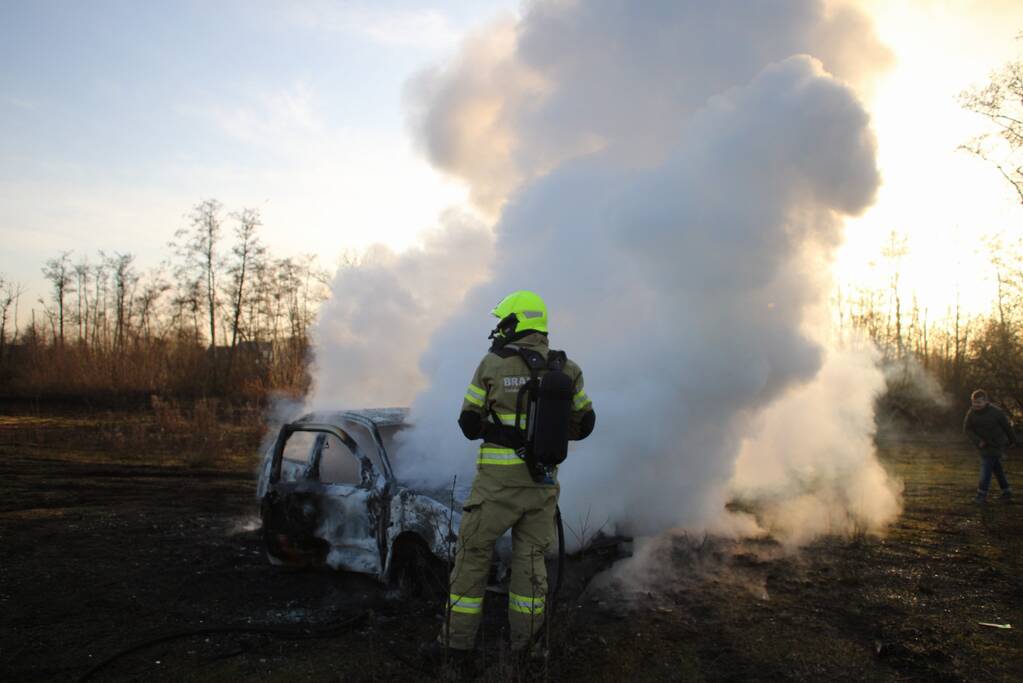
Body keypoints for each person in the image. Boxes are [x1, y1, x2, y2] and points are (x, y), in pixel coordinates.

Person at [424, 290, 596, 663]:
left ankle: (455, 648)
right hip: (542, 487)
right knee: (531, 564)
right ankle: (530, 651)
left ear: (516, 322)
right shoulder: (568, 369)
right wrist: (544, 435)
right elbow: (586, 424)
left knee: (472, 557)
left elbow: (469, 423)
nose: (498, 330)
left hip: (497, 488)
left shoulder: (493, 364)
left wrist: (500, 426)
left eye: (503, 322)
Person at [962, 389, 1014, 503]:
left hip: (996, 444)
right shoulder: (971, 413)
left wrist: (1011, 441)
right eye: (974, 402)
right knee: (997, 468)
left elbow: (1007, 427)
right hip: (984, 445)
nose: (976, 405)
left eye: (979, 402)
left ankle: (981, 495)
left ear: (986, 401)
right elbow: (967, 429)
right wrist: (978, 441)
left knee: (986, 470)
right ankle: (1006, 491)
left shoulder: (996, 412)